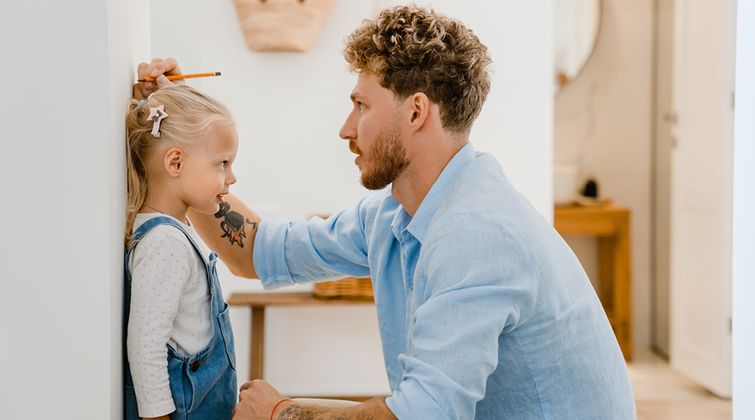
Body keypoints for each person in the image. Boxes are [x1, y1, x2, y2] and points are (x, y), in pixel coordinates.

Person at [135, 5, 636, 419]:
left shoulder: (477, 235)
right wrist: (181, 154)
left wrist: (280, 412)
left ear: (416, 112)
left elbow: (420, 414)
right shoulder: (397, 215)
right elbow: (257, 252)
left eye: (362, 106)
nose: (346, 128)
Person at [123, 84, 240, 419]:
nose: (231, 177)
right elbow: (146, 347)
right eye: (222, 163)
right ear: (175, 162)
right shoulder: (166, 243)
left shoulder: (175, 230)